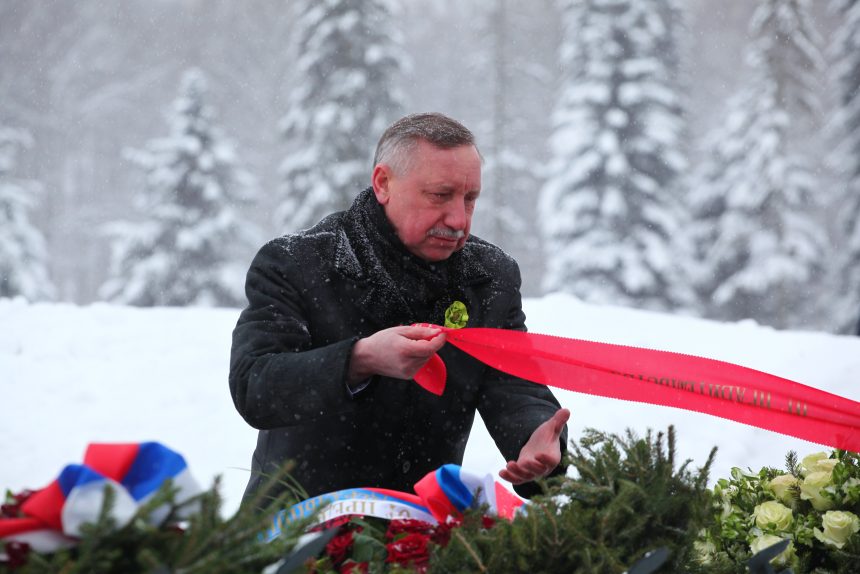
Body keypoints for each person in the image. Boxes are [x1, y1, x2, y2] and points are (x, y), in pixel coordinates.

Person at [229, 112, 570, 501]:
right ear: (383, 183)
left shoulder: (490, 277)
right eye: (439, 196)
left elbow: (513, 384)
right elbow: (255, 384)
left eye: (470, 198)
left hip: (422, 531)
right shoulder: (296, 263)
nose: (458, 219)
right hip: (299, 532)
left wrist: (535, 439)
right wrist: (359, 360)